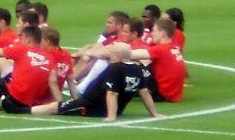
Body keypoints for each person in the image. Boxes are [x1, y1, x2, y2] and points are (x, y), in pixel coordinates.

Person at [33, 43, 164, 121]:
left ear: (117, 56)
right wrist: (154, 113)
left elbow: (112, 94)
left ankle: (26, 110)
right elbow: (144, 93)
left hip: (90, 106)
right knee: (55, 106)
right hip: (108, 108)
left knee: (53, 107)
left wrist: (111, 116)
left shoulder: (115, 68)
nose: (109, 55)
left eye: (111, 53)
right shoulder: (137, 69)